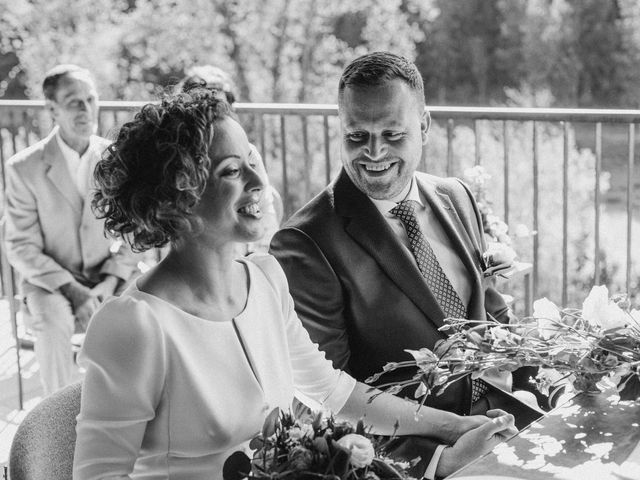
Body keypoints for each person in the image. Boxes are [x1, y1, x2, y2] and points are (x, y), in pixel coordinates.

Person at [72, 88, 517, 480]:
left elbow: (335, 393)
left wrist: (455, 428)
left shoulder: (265, 279)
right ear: (177, 197)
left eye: (253, 160)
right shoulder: (134, 325)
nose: (258, 182)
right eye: (231, 171)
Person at [269, 51, 544, 479]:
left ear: (424, 126)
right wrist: (439, 461)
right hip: (414, 459)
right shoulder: (305, 243)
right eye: (356, 135)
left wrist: (544, 383)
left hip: (505, 420)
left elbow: (492, 312)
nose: (374, 152)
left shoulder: (456, 196)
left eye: (393, 134)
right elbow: (330, 396)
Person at [3, 64, 139, 396]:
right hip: (50, 283)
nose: (85, 109)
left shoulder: (117, 159)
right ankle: (57, 422)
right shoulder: (23, 168)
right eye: (73, 101)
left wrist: (110, 280)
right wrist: (73, 291)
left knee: (153, 299)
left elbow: (136, 232)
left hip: (109, 275)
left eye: (91, 99)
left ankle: (136, 409)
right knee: (52, 321)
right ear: (52, 109)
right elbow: (20, 246)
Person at [178, 65, 283, 255]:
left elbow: (267, 212)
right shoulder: (181, 161)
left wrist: (262, 260)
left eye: (223, 109)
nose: (218, 118)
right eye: (206, 112)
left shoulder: (249, 152)